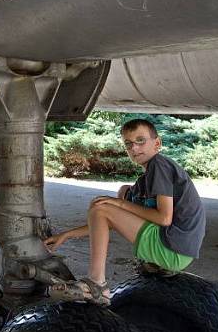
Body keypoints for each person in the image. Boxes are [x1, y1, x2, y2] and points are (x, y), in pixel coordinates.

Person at [45, 118, 205, 306]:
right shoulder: (143, 182)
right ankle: (151, 266)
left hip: (173, 247)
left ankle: (97, 284)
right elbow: (106, 222)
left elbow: (164, 218)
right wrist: (68, 235)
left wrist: (118, 205)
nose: (134, 148)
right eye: (128, 144)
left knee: (103, 206)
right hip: (178, 251)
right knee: (119, 195)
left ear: (157, 143)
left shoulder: (159, 165)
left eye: (140, 141)